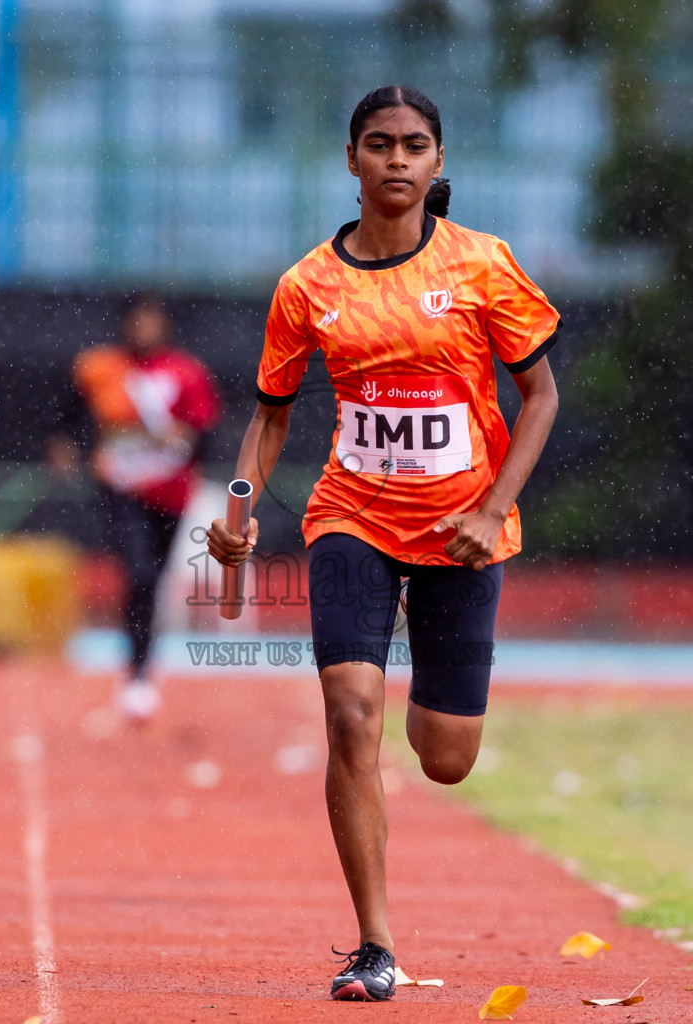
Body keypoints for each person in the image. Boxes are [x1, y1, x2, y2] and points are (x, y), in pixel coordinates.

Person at [206, 86, 560, 1001]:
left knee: (445, 757)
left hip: (461, 533)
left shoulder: (485, 266)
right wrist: (238, 516)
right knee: (350, 717)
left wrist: (491, 511)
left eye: (414, 145)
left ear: (437, 162)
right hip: (351, 519)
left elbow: (543, 398)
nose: (397, 160)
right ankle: (374, 945)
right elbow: (269, 422)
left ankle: (426, 693)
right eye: (379, 144)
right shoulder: (308, 286)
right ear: (352, 160)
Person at [51, 295, 221, 721]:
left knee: (154, 580)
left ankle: (144, 665)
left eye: (152, 321)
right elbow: (67, 414)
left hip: (171, 491)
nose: (143, 329)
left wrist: (180, 438)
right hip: (120, 487)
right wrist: (64, 445)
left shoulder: (186, 373)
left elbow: (206, 430)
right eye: (137, 321)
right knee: (138, 571)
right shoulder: (100, 367)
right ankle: (137, 674)